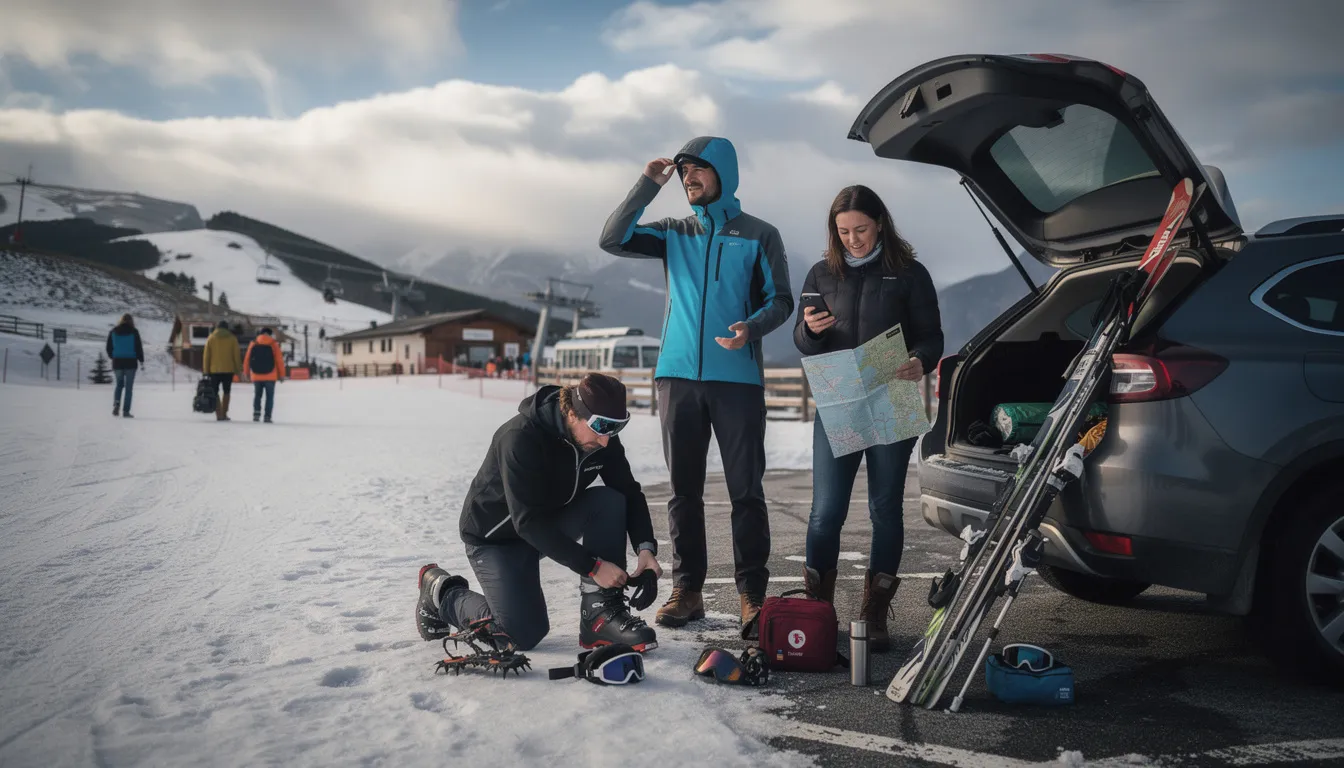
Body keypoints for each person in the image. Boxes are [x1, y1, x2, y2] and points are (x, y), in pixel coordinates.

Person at [599, 136, 794, 638]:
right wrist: (647, 185)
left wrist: (750, 328)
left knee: (745, 492)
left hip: (738, 380)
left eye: (698, 170)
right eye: (683, 172)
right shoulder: (673, 233)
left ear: (723, 173)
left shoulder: (760, 235)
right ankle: (688, 590)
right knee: (683, 493)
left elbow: (782, 300)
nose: (688, 178)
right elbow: (613, 239)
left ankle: (752, 591)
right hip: (677, 377)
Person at [793, 184, 943, 652]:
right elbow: (801, 338)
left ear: (880, 224)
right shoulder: (820, 272)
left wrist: (922, 359)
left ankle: (874, 612)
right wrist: (810, 331)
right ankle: (819, 610)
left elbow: (931, 336)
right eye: (843, 232)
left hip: (889, 397)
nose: (852, 239)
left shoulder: (910, 274)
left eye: (860, 229)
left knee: (884, 509)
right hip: (838, 401)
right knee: (825, 513)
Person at [415, 373, 661, 653]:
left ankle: (600, 616)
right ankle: (442, 593)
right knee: (520, 633)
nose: (606, 440)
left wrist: (645, 549)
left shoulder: (600, 439)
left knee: (610, 501)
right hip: (496, 538)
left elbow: (629, 492)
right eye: (600, 426)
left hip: (546, 524)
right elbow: (526, 522)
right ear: (571, 412)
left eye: (616, 427)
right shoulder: (520, 437)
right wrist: (593, 566)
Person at [201, 320, 243, 422]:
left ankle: (218, 414)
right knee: (227, 391)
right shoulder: (232, 339)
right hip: (228, 369)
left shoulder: (211, 338)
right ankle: (224, 413)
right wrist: (238, 370)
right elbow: (236, 355)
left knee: (215, 392)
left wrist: (206, 370)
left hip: (214, 370)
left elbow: (206, 356)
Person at [243, 327, 286, 423]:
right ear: (270, 334)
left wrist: (246, 373)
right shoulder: (273, 344)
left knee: (257, 395)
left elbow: (247, 359)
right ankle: (267, 416)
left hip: (256, 375)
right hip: (270, 376)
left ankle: (256, 414)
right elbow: (279, 360)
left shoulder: (254, 343)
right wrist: (282, 375)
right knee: (269, 397)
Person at [106, 313, 144, 418]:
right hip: (131, 363)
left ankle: (117, 404)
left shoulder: (113, 331)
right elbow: (138, 347)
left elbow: (108, 347)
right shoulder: (134, 332)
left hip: (117, 362)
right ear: (131, 321)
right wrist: (141, 360)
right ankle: (126, 411)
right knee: (128, 388)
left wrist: (113, 356)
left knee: (119, 385)